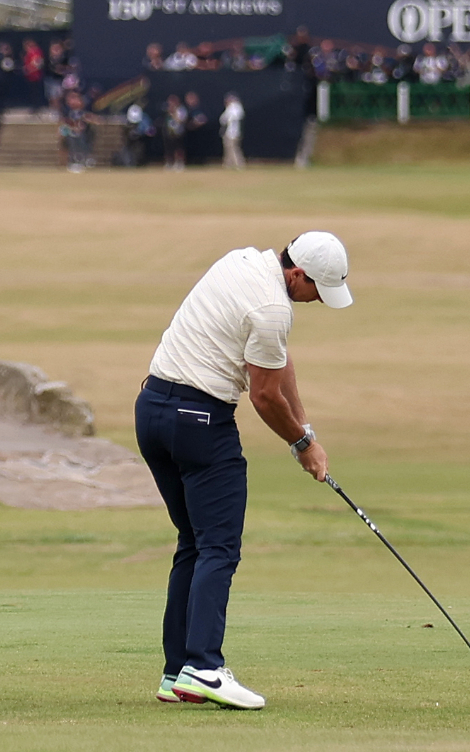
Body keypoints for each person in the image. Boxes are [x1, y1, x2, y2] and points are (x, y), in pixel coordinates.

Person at [140, 232, 352, 710]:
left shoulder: (242, 262)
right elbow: (263, 395)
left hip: (151, 409)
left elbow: (277, 362)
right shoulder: (275, 309)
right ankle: (205, 669)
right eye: (317, 289)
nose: (317, 299)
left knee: (193, 542)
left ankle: (178, 672)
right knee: (218, 545)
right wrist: (302, 444)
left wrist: (307, 431)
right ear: (297, 274)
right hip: (199, 421)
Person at [220, 93, 246, 171]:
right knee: (229, 149)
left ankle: (239, 164)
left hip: (232, 133)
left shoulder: (234, 107)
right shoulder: (236, 108)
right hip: (230, 133)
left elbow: (224, 119)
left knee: (233, 149)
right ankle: (228, 164)